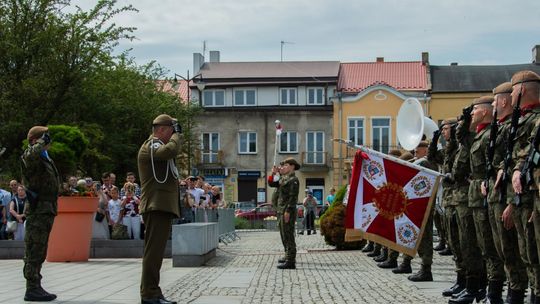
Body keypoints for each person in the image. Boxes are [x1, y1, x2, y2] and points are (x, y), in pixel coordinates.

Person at [483, 82, 529, 302]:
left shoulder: (517, 125)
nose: (494, 104)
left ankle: (516, 293)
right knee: (501, 249)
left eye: (495, 101)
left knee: (518, 253)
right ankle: (508, 292)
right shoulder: (501, 127)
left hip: (515, 197)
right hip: (498, 195)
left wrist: (512, 201)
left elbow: (514, 163)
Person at [465, 96, 505, 303]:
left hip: (488, 193)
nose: (472, 113)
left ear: (486, 111)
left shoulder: (492, 134)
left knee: (492, 247)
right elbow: (462, 141)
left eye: (475, 110)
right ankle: (484, 289)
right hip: (479, 194)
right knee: (482, 246)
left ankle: (493, 292)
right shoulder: (480, 134)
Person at [138, 114, 181, 304]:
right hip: (155, 206)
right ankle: (149, 294)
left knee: (156, 253)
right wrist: (177, 135)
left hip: (160, 206)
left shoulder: (156, 145)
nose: (173, 135)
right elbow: (168, 151)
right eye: (171, 130)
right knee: (153, 253)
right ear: (162, 129)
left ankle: (153, 292)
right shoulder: (152, 145)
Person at [505, 70, 540, 303]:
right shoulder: (522, 120)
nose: (510, 96)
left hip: (531, 195)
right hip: (525, 196)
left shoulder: (536, 119)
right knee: (527, 252)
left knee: (533, 253)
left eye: (513, 90)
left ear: (522, 89)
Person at [20, 125, 60, 301]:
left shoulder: (44, 158)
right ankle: (32, 288)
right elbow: (29, 155)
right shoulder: (31, 155)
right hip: (38, 211)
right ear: (36, 140)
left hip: (46, 209)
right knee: (34, 249)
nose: (48, 139)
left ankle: (36, 285)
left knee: (40, 249)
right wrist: (40, 142)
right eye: (45, 136)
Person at [268, 157, 300, 270]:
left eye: (286, 165)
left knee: (288, 235)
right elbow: (272, 184)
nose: (284, 167)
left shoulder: (293, 180)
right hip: (281, 210)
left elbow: (293, 198)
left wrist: (288, 211)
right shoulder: (284, 179)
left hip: (287, 211)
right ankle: (287, 256)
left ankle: (291, 261)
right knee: (283, 235)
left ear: (292, 167)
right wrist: (274, 173)